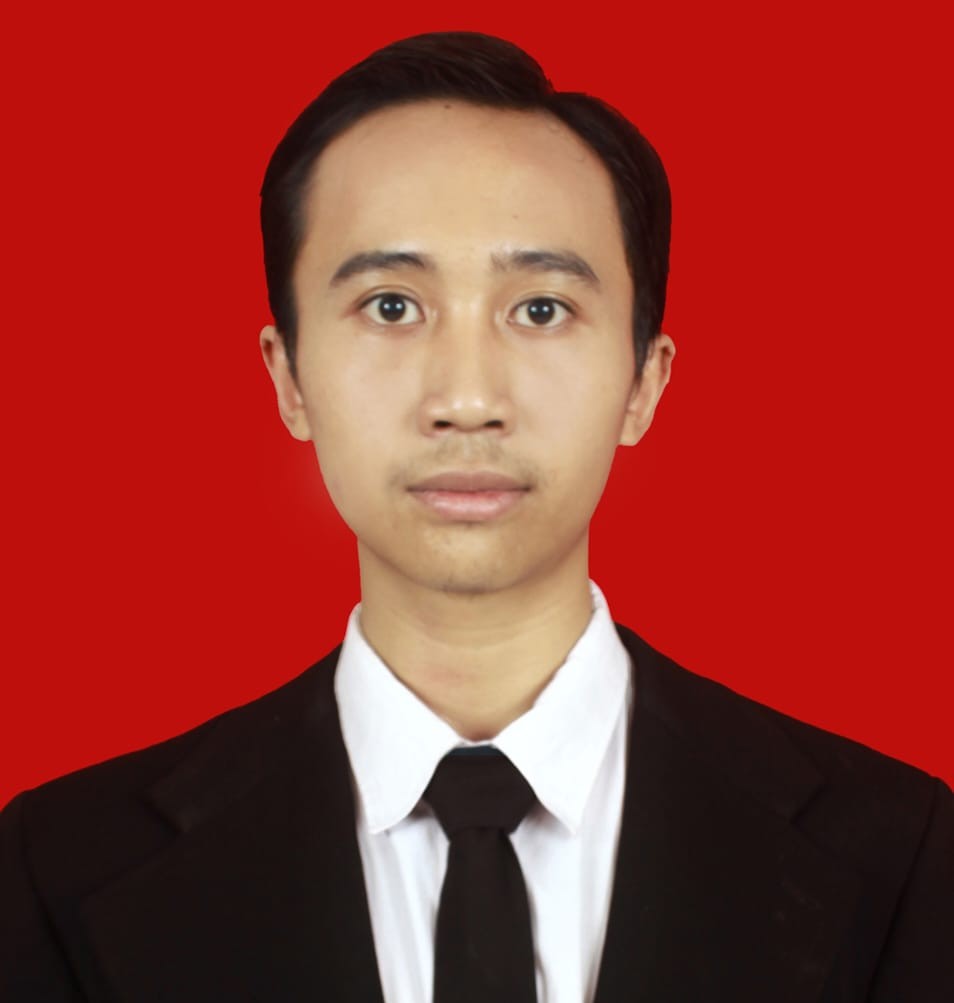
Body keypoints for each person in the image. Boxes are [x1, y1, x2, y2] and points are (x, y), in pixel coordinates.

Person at [1, 30, 951, 1003]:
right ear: (288, 377)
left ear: (643, 382)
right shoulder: (59, 869)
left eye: (540, 309)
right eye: (391, 306)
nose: (465, 399)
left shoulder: (902, 859)